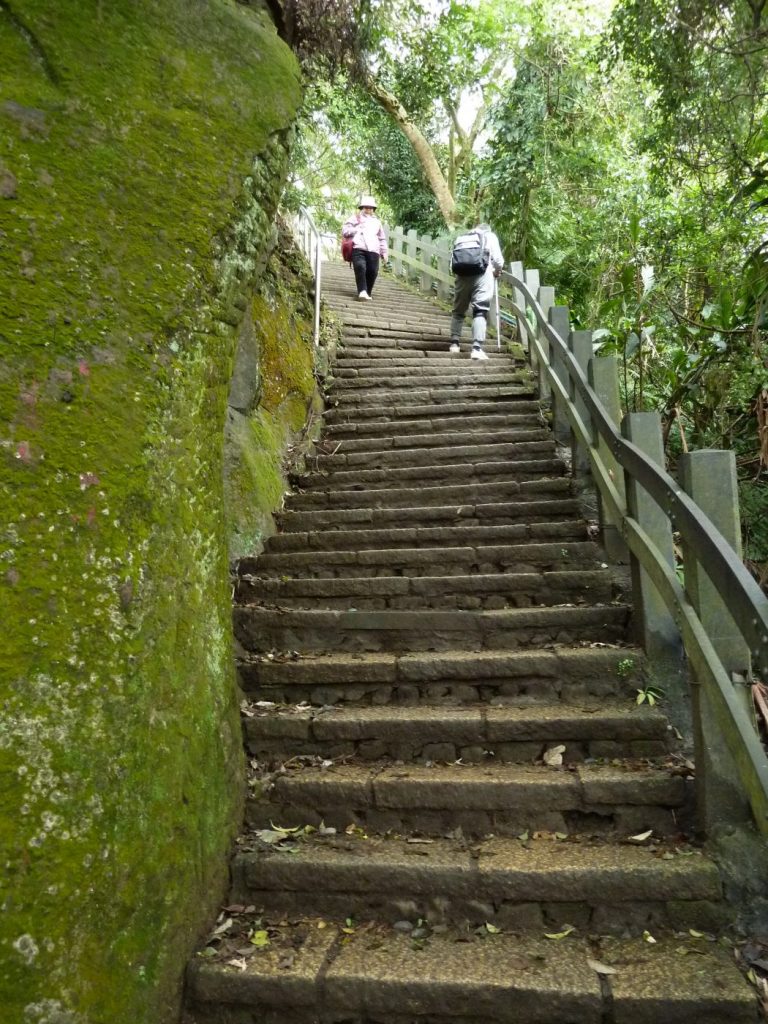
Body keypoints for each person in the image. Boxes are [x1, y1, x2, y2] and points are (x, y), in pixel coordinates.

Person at [449, 220, 504, 361]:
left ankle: (454, 344)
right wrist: (496, 271)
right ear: (488, 229)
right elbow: (498, 261)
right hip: (482, 275)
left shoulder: (462, 238)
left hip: (462, 276)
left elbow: (452, 263)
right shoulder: (490, 236)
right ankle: (477, 348)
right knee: (480, 310)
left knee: (458, 310)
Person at [342, 195, 388, 301]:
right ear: (362, 207)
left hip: (373, 250)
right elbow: (345, 231)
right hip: (358, 247)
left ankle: (367, 292)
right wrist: (356, 229)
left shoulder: (377, 222)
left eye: (371, 208)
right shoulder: (355, 218)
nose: (368, 209)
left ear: (373, 209)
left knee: (373, 271)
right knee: (360, 267)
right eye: (366, 207)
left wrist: (384, 252)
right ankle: (362, 291)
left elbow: (382, 238)